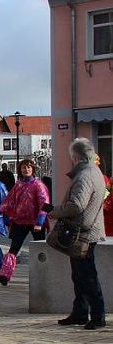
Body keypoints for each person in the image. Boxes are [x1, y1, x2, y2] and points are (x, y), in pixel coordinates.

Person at [51, 138, 106, 330]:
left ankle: (97, 315)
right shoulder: (94, 171)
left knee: (87, 275)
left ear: (75, 157)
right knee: (79, 275)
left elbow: (77, 205)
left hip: (83, 233)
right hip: (87, 230)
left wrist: (56, 211)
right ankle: (80, 312)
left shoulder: (85, 175)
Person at [0, 159, 49, 286]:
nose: (26, 169)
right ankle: (5, 274)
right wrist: (0, 210)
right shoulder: (18, 185)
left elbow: (46, 204)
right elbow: (9, 201)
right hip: (20, 221)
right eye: (24, 167)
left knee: (40, 248)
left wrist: (40, 222)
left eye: (29, 167)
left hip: (36, 223)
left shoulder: (38, 185)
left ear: (33, 169)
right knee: (14, 248)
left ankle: (43, 273)